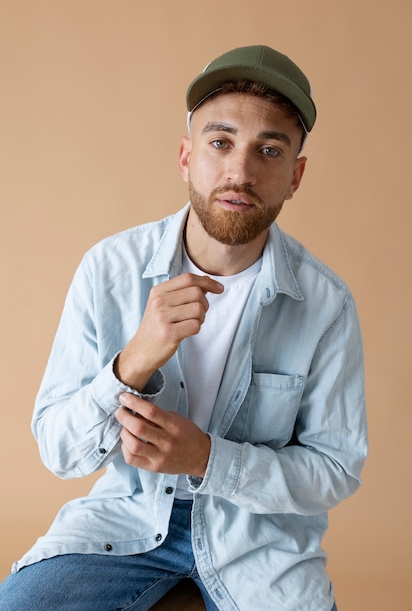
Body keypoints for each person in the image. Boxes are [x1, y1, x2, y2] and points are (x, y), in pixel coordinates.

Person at [0, 45, 367, 611]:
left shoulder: (326, 304)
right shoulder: (110, 269)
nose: (240, 172)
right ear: (185, 155)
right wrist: (134, 360)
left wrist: (207, 459)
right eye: (220, 143)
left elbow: (335, 469)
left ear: (294, 176)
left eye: (268, 151)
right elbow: (59, 451)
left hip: (261, 543)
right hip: (123, 520)